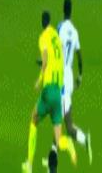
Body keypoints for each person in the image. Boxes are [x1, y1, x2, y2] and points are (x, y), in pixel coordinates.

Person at [22, 11, 77, 173]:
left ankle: (29, 164)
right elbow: (57, 58)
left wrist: (40, 79)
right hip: (58, 94)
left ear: (42, 22)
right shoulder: (56, 36)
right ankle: (68, 144)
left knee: (34, 120)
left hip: (48, 91)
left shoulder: (43, 37)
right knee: (58, 139)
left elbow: (45, 60)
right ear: (50, 22)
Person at [58, 0, 92, 165]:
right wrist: (80, 76)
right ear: (71, 11)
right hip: (70, 76)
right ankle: (53, 155)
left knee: (66, 123)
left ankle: (84, 139)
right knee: (58, 116)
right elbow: (79, 56)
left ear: (62, 9)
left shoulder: (60, 28)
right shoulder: (75, 31)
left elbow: (55, 50)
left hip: (61, 78)